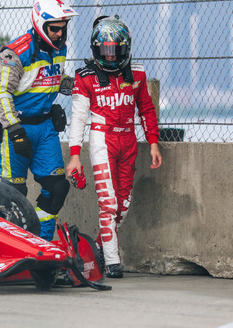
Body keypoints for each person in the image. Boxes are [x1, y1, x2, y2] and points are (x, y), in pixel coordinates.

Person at [66, 16, 162, 278]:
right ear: (96, 50)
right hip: (101, 140)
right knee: (108, 204)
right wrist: (75, 156)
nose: (110, 57)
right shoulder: (84, 77)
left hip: (129, 141)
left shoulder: (138, 74)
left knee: (123, 205)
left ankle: (98, 246)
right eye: (104, 51)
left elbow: (147, 109)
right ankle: (112, 261)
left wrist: (153, 142)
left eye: (115, 51)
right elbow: (78, 119)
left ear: (126, 49)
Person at [0, 0, 79, 241]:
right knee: (14, 193)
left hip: (45, 128)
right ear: (40, 25)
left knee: (57, 188)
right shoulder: (15, 53)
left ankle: (43, 242)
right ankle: (12, 245)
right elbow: (0, 93)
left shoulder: (59, 49)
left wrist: (80, 83)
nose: (60, 35)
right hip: (16, 130)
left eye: (63, 29)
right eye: (54, 29)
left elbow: (54, 79)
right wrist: (15, 130)